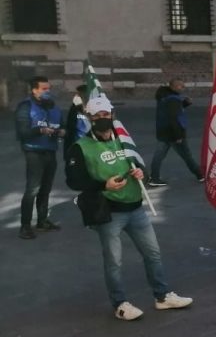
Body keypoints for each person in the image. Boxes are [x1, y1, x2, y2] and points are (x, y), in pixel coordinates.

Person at [64, 95, 193, 320]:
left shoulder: (123, 140)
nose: (104, 120)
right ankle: (120, 303)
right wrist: (104, 184)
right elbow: (74, 181)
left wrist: (140, 172)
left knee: (153, 254)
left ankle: (162, 296)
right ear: (90, 118)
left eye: (107, 115)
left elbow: (137, 162)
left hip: (135, 208)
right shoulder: (81, 147)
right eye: (98, 116)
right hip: (109, 211)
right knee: (114, 261)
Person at [15, 75, 64, 239]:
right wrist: (40, 130)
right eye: (44, 89)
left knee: (46, 188)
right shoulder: (25, 107)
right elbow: (23, 133)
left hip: (50, 150)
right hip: (33, 152)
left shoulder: (53, 107)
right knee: (32, 189)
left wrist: (63, 132)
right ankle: (25, 226)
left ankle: (42, 221)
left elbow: (62, 126)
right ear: (34, 90)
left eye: (48, 88)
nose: (47, 92)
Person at [148, 78, 202, 187]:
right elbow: (174, 117)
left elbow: (171, 110)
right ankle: (200, 175)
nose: (183, 88)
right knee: (187, 155)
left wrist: (185, 103)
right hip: (173, 133)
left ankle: (154, 178)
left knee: (159, 155)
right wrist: (178, 135)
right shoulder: (173, 99)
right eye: (181, 86)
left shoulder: (164, 96)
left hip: (163, 131)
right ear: (174, 86)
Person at [63, 84, 89, 161]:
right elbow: (70, 127)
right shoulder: (74, 109)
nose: (76, 97)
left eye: (79, 94)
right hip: (77, 148)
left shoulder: (98, 112)